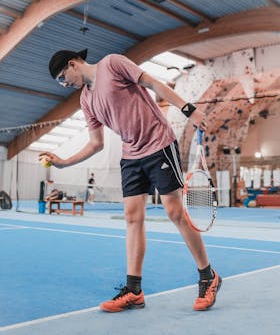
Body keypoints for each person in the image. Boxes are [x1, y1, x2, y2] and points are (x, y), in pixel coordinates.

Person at [40, 49, 222, 313]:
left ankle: (208, 276)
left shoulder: (112, 64)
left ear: (72, 64)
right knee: (132, 217)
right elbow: (96, 143)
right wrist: (63, 161)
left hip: (158, 143)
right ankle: (134, 290)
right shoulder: (86, 100)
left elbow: (153, 83)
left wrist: (188, 110)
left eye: (62, 77)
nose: (63, 83)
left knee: (175, 213)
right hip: (131, 155)